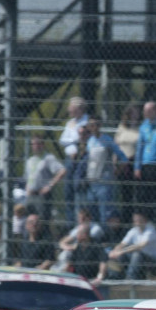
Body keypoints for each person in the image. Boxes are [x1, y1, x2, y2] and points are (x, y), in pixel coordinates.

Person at [82, 116, 128, 226]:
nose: (94, 128)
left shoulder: (107, 140)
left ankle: (107, 236)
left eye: (96, 125)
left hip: (104, 182)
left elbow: (123, 158)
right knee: (92, 210)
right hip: (92, 181)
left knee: (105, 212)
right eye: (91, 125)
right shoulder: (90, 141)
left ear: (100, 125)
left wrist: (116, 172)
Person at [97, 209, 156, 281]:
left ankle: (130, 279)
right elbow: (122, 244)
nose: (136, 221)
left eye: (138, 219)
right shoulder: (134, 230)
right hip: (140, 261)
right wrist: (114, 251)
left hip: (155, 263)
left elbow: (139, 246)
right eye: (135, 219)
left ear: (145, 219)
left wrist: (121, 251)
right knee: (120, 255)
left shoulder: (151, 230)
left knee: (136, 254)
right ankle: (115, 276)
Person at [135, 101, 156, 227]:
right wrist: (137, 167)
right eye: (144, 111)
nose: (146, 113)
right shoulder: (143, 126)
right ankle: (146, 221)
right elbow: (139, 148)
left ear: (155, 111)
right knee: (145, 195)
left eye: (148, 111)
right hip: (145, 163)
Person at [21, 135, 67, 220]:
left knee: (42, 221)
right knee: (28, 220)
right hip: (30, 196)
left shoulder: (48, 158)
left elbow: (62, 171)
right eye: (33, 144)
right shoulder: (30, 160)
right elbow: (27, 178)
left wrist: (49, 186)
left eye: (38, 144)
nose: (36, 146)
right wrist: (27, 190)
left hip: (42, 196)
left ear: (43, 145)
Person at [59, 96, 89, 224]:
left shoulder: (86, 121)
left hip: (81, 160)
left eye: (71, 107)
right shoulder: (70, 123)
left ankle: (80, 222)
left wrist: (74, 143)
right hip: (69, 160)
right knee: (68, 191)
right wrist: (73, 142)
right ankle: (70, 222)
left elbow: (82, 139)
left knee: (79, 192)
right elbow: (62, 140)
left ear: (79, 108)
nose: (68, 109)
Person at [113, 104, 140, 221]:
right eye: (133, 114)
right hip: (122, 163)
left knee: (135, 193)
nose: (135, 116)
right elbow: (116, 145)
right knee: (125, 193)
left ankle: (136, 218)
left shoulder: (140, 128)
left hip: (133, 161)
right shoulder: (121, 127)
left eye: (137, 114)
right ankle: (125, 219)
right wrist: (114, 161)